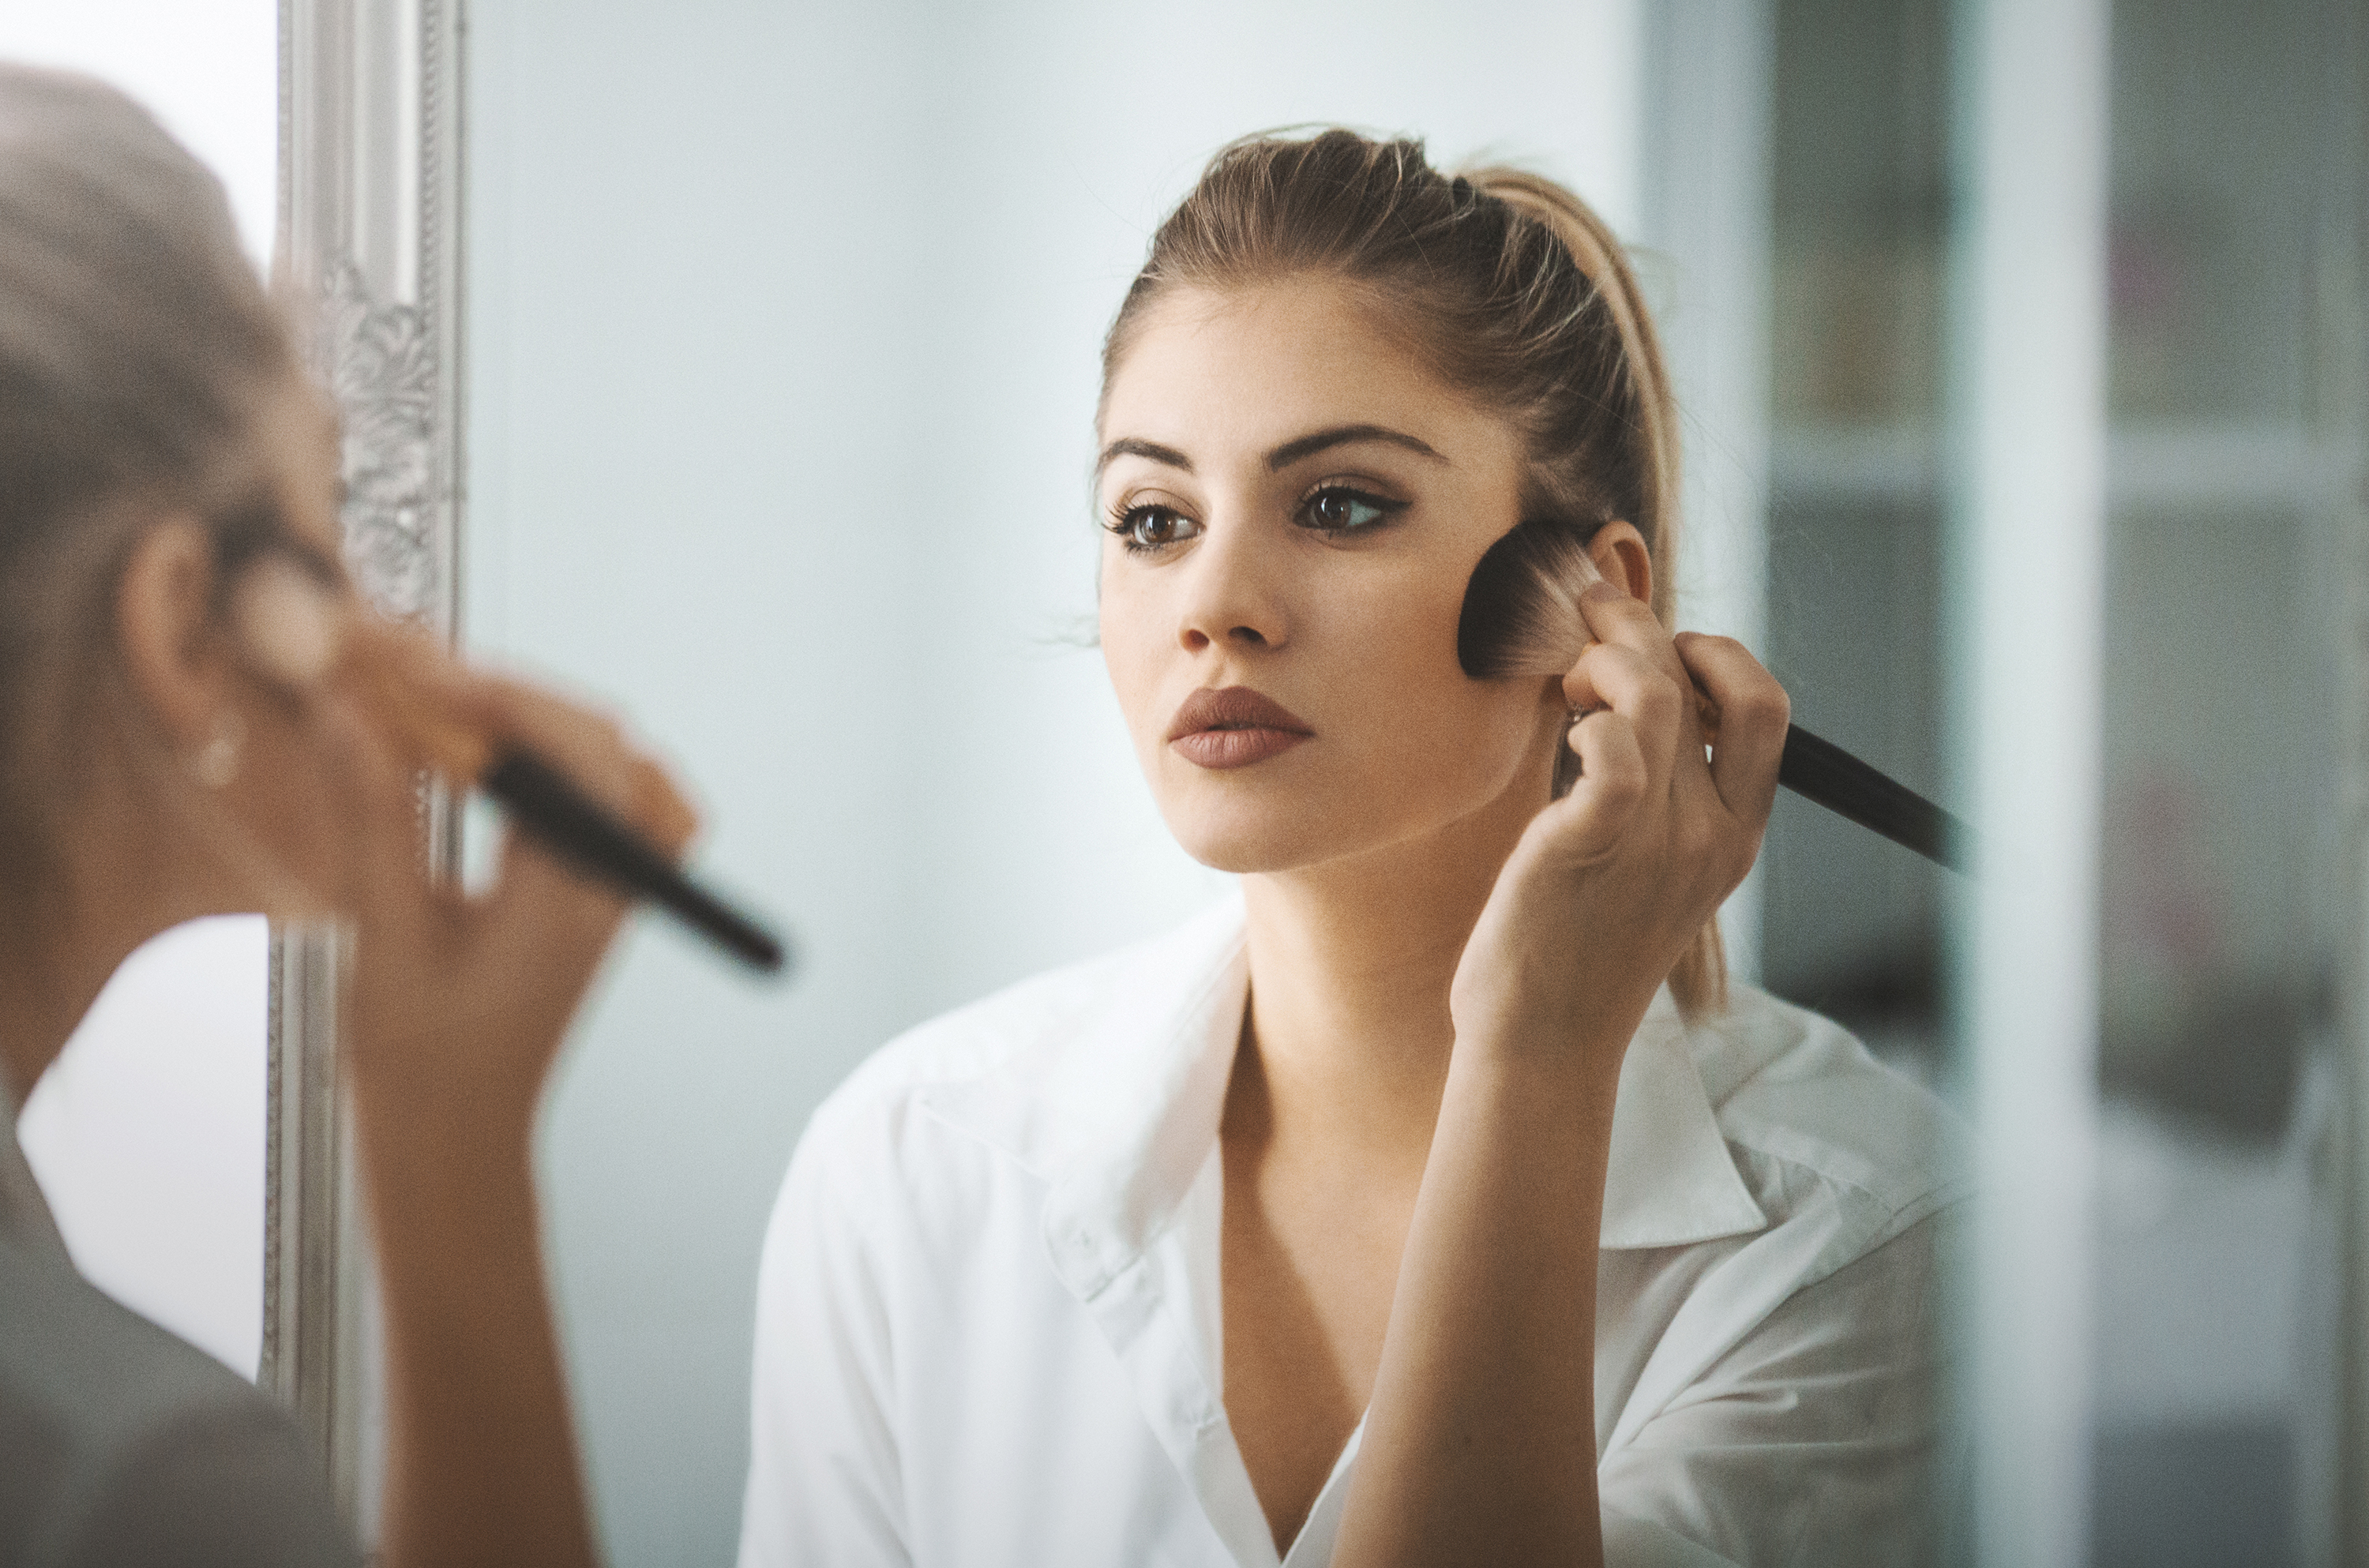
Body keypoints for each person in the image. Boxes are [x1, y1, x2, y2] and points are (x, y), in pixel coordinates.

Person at [738, 129, 1966, 1568]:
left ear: (1596, 602)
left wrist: (1539, 1054)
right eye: (1152, 518)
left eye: (1338, 505)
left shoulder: (1864, 1234)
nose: (1216, 601)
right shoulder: (916, 1167)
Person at [0, 63, 690, 1567]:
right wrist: (457, 1175)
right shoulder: (126, 1471)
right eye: (332, 529)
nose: (395, 625)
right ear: (187, 622)